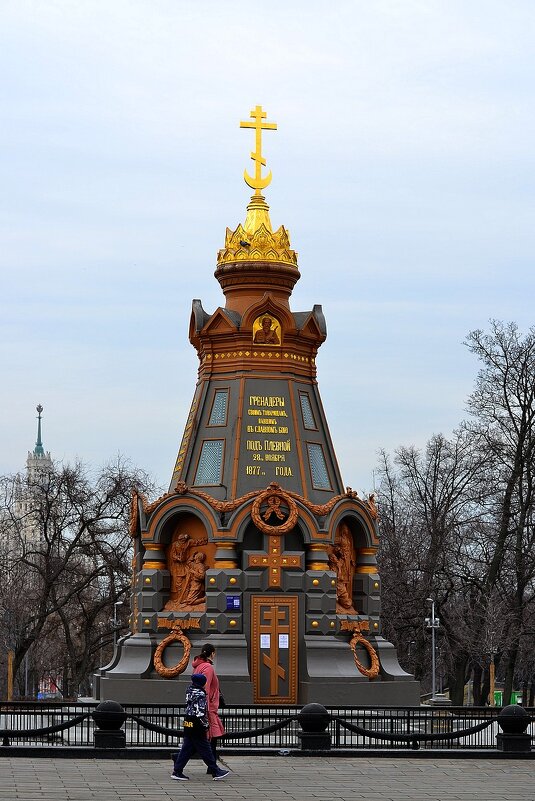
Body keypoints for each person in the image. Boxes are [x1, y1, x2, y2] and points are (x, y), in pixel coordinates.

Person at [171, 673, 230, 782]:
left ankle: (177, 771)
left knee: (187, 748)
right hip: (197, 724)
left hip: (188, 721)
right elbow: (200, 712)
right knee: (205, 748)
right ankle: (215, 770)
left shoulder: (189, 691)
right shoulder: (201, 695)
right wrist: (206, 725)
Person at [192, 643, 228, 771]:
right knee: (210, 738)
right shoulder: (208, 668)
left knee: (203, 739)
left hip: (203, 707)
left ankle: (211, 766)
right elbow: (205, 689)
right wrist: (205, 709)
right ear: (212, 653)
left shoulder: (198, 666)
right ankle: (212, 767)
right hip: (209, 709)